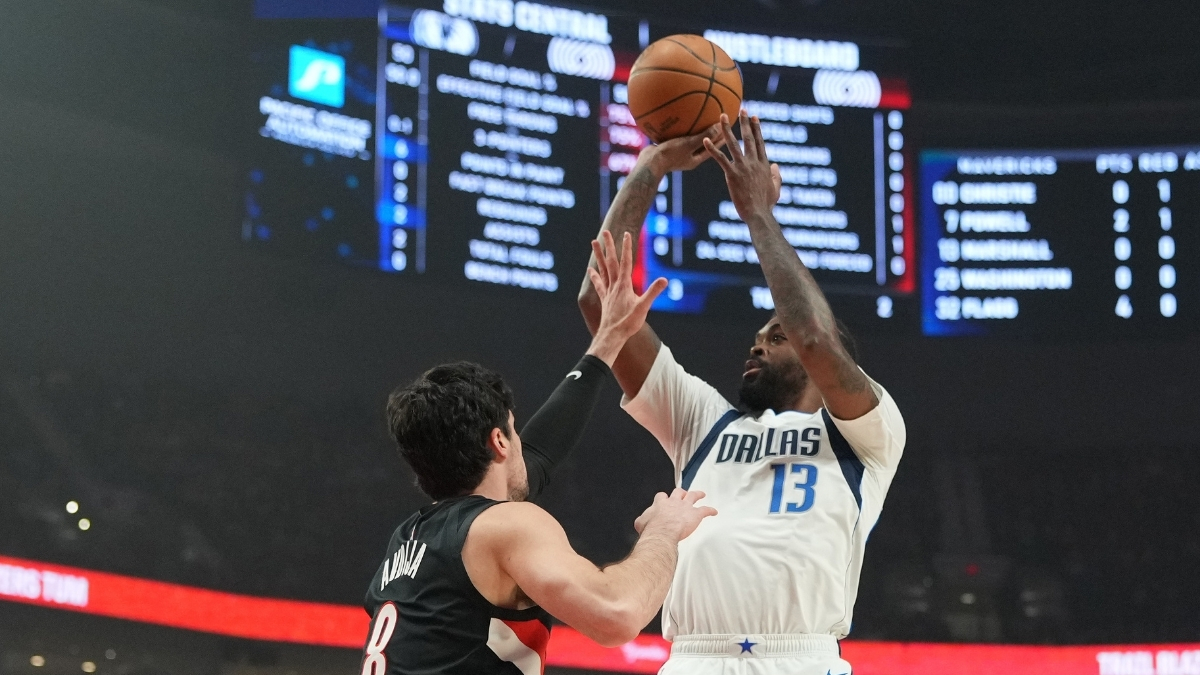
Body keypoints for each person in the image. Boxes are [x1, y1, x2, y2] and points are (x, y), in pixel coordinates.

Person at [577, 112, 906, 675]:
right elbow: (598, 299)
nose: (757, 345)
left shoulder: (868, 432)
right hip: (694, 658)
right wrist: (651, 165)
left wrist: (758, 213)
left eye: (775, 337)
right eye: (758, 337)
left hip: (799, 659)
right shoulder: (705, 421)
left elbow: (814, 335)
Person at [362, 233, 717, 675]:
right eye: (514, 431)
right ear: (498, 442)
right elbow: (617, 614)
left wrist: (607, 343)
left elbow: (539, 455)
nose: (522, 446)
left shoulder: (410, 539)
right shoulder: (505, 526)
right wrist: (664, 531)